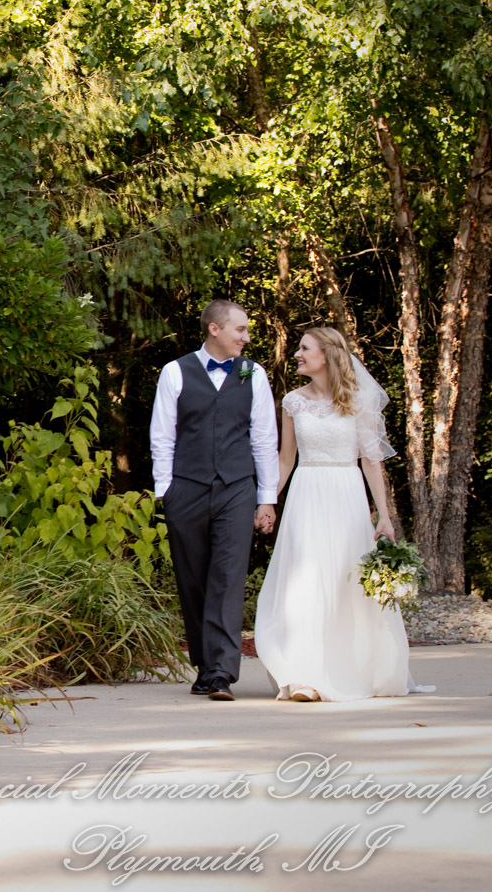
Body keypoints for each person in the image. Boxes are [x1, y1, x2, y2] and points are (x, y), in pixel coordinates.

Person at [253, 327, 435, 701]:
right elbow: (285, 460)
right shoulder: (292, 402)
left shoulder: (356, 400)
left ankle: (351, 669)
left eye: (304, 348)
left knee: (345, 583)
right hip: (306, 494)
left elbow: (371, 462)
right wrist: (267, 500)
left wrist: (383, 515)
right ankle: (304, 676)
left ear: (327, 355)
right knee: (303, 583)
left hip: (347, 496)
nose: (297, 354)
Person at [149, 299, 279, 701]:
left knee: (227, 577)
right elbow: (162, 436)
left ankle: (222, 671)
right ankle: (205, 667)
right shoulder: (175, 372)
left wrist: (266, 498)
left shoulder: (252, 374)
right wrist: (165, 490)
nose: (246, 337)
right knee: (192, 578)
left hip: (237, 488)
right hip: (185, 487)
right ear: (215, 330)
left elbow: (263, 440)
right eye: (240, 329)